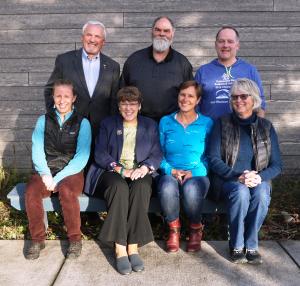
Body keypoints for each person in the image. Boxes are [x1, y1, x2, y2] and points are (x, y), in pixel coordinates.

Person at [84, 86, 162, 275]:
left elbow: (157, 153)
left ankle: (133, 246)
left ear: (139, 106)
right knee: (119, 188)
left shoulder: (150, 125)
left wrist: (145, 168)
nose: (128, 108)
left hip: (140, 170)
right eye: (124, 104)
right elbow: (100, 153)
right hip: (111, 171)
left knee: (142, 187)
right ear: (118, 107)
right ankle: (119, 247)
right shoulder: (108, 124)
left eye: (132, 104)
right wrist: (119, 169)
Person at [207, 78, 282, 264]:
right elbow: (213, 158)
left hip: (257, 180)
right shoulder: (222, 123)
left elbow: (277, 164)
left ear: (253, 99)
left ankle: (251, 244)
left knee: (263, 192)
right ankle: (237, 244)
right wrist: (237, 176)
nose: (238, 100)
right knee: (240, 192)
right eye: (234, 97)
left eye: (243, 96)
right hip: (228, 180)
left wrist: (259, 177)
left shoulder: (266, 127)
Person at [25, 79, 92, 260]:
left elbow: (82, 157)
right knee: (31, 191)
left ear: (74, 98)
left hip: (71, 171)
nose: (62, 100)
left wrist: (59, 177)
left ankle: (75, 240)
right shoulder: (43, 121)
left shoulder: (83, 123)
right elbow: (37, 149)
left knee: (67, 190)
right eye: (58, 96)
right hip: (46, 169)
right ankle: (37, 239)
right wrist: (46, 173)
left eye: (66, 96)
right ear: (53, 97)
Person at [157, 80, 213, 253]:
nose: (185, 99)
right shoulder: (165, 122)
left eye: (191, 96)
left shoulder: (207, 123)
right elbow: (157, 153)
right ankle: (174, 230)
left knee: (191, 190)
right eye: (182, 95)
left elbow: (212, 156)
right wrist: (170, 170)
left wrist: (193, 172)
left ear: (198, 100)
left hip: (197, 174)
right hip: (170, 172)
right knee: (166, 187)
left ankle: (196, 229)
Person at [44, 20, 120, 137]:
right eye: (89, 35)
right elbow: (50, 89)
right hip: (69, 127)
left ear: (103, 42)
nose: (92, 40)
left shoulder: (113, 66)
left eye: (97, 36)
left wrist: (112, 126)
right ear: (82, 37)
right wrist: (56, 117)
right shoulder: (64, 61)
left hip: (100, 129)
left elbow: (114, 100)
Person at [120, 16, 193, 122]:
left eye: (166, 31)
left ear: (172, 34)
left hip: (171, 124)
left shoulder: (183, 63)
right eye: (157, 30)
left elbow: (191, 96)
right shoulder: (134, 60)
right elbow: (121, 92)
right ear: (152, 32)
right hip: (138, 124)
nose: (162, 34)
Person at [195, 26, 266, 120]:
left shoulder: (249, 70)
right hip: (210, 131)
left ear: (237, 45)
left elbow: (260, 103)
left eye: (230, 41)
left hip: (242, 131)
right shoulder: (203, 72)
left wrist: (257, 129)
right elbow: (194, 104)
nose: (225, 45)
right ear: (215, 44)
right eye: (221, 41)